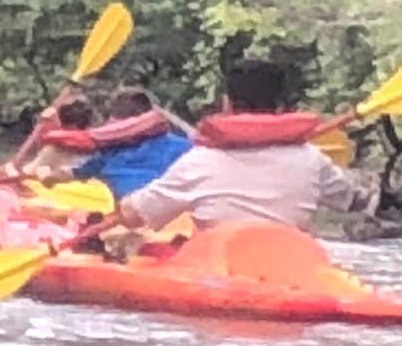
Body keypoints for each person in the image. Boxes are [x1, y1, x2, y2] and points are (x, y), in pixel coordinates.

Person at [110, 56, 355, 235]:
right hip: (292, 263)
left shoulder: (198, 162)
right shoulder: (312, 159)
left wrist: (124, 206)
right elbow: (350, 196)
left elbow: (136, 214)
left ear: (227, 104)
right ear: (281, 107)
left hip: (219, 265)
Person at [41, 86, 192, 197]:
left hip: (138, 209)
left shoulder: (184, 148)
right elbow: (81, 171)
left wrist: (45, 177)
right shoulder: (186, 147)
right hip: (131, 208)